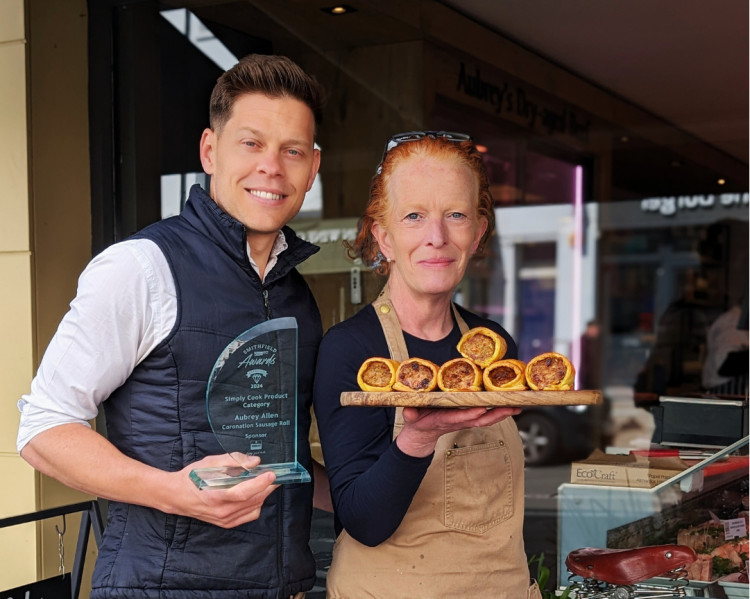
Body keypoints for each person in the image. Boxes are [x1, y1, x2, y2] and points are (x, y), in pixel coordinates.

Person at [17, 54, 325, 598]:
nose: (272, 168)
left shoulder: (294, 294)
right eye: (251, 143)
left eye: (292, 151)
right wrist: (171, 491)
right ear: (210, 150)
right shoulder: (140, 267)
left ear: (312, 168)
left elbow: (283, 461)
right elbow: (44, 430)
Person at [313, 131, 541, 598]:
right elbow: (363, 521)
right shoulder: (352, 351)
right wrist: (418, 436)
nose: (436, 237)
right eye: (414, 216)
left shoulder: (494, 348)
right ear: (385, 237)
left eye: (455, 215)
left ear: (476, 235)